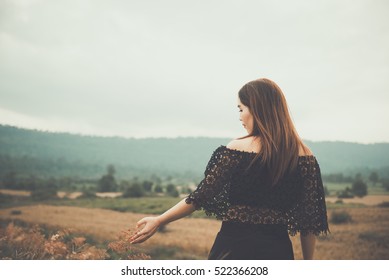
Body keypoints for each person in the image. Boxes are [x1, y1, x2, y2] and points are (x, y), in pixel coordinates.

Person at [130, 78, 329, 260]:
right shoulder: (306, 156)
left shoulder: (237, 148)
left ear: (258, 109)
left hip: (233, 249)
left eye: (241, 109)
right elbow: (308, 223)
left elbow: (200, 197)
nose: (240, 116)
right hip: (278, 252)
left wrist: (159, 220)